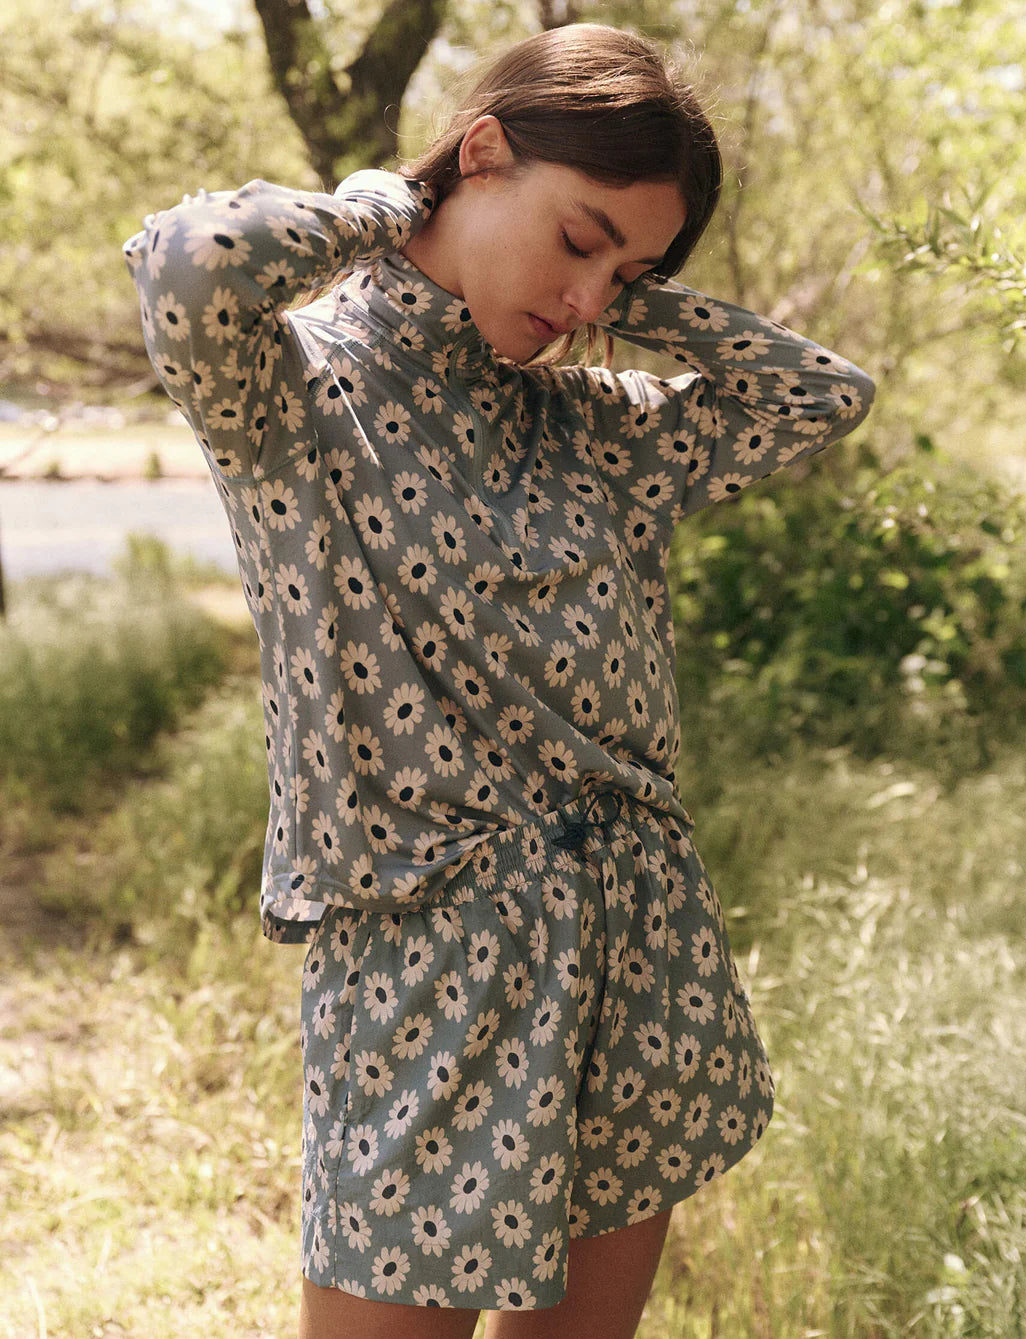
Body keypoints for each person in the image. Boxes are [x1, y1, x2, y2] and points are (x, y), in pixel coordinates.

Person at [122, 21, 876, 1339]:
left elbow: (816, 395)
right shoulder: (298, 395)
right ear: (481, 153)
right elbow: (189, 262)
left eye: (626, 273)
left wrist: (630, 292)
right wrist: (376, 213)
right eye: (580, 240)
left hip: (640, 942)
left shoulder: (586, 427)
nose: (588, 302)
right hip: (427, 959)